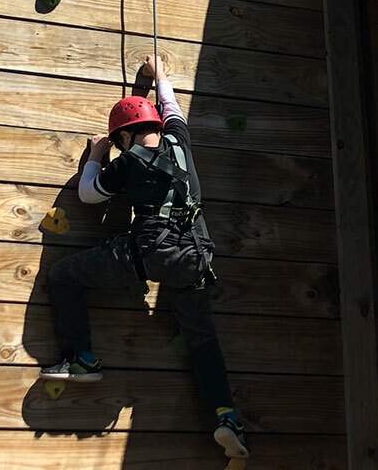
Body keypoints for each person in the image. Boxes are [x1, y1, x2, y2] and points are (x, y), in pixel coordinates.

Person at [39, 52, 250, 459]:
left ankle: (80, 358)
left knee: (65, 276)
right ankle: (226, 416)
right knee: (201, 339)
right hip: (196, 256)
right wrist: (161, 76)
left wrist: (98, 158)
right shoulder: (179, 142)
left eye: (119, 141)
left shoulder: (128, 162)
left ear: (124, 137)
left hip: (149, 251)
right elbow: (173, 109)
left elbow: (88, 195)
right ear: (154, 125)